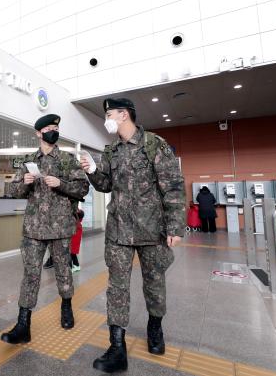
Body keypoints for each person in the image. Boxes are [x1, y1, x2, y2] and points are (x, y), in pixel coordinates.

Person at [80, 98, 185, 373]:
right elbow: (106, 185)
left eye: (109, 114)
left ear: (124, 115)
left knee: (154, 282)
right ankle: (117, 347)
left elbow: (172, 186)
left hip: (152, 229)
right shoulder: (111, 150)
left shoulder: (154, 144)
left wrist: (175, 226)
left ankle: (155, 328)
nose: (107, 119)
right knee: (117, 287)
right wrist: (92, 170)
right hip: (118, 231)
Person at [0, 114, 90, 344]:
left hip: (61, 227)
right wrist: (24, 182)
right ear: (39, 133)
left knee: (63, 271)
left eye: (56, 128)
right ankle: (23, 324)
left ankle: (67, 307)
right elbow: (12, 191)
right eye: (49, 128)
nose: (53, 131)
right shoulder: (29, 160)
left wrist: (62, 184)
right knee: (30, 275)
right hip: (33, 229)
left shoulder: (67, 160)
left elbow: (82, 189)